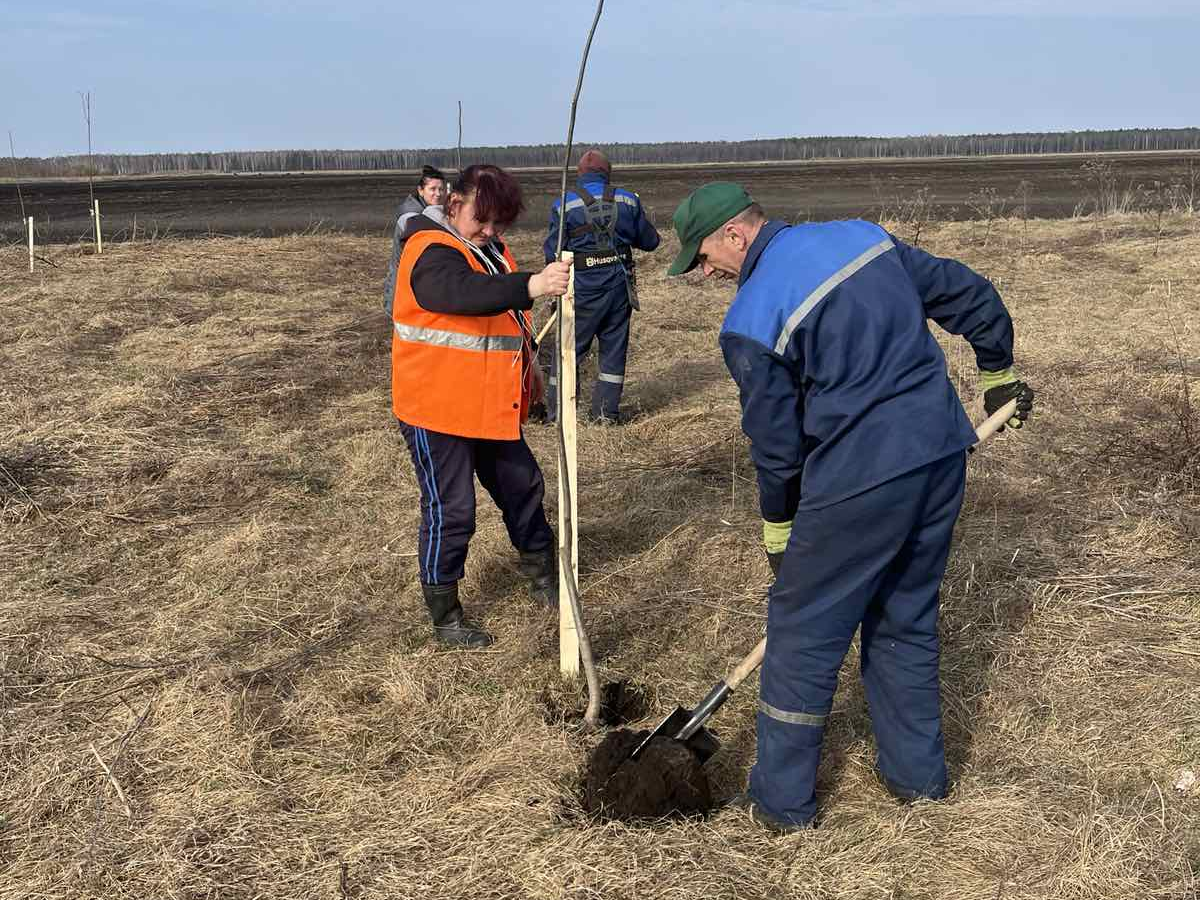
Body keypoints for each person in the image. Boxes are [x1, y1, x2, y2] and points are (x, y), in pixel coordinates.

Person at [667, 183, 1034, 831]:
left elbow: (777, 447)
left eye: (701, 257)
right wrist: (997, 368)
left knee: (802, 634)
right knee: (903, 617)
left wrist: (780, 528)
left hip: (861, 480)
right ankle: (916, 780)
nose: (705, 274)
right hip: (940, 452)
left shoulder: (751, 317)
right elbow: (968, 291)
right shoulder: (861, 238)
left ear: (733, 234)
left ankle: (780, 806)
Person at [391, 164, 572, 649]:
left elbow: (504, 319)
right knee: (453, 510)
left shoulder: (490, 250)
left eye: (501, 224)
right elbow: (456, 294)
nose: (492, 231)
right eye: (483, 219)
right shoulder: (429, 248)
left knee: (523, 487)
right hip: (436, 408)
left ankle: (544, 577)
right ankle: (446, 616)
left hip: (490, 402)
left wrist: (529, 366)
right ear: (454, 203)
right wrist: (531, 285)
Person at [540, 149, 660, 424]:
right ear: (608, 173)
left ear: (580, 175)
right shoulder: (628, 200)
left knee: (568, 351)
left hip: (579, 290)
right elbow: (651, 242)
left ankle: (559, 417)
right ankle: (605, 416)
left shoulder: (564, 204)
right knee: (613, 352)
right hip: (620, 287)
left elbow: (552, 253)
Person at [384, 165, 448, 316]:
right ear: (420, 190)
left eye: (441, 189)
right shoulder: (411, 216)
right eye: (432, 189)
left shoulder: (428, 209)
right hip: (403, 285)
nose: (438, 194)